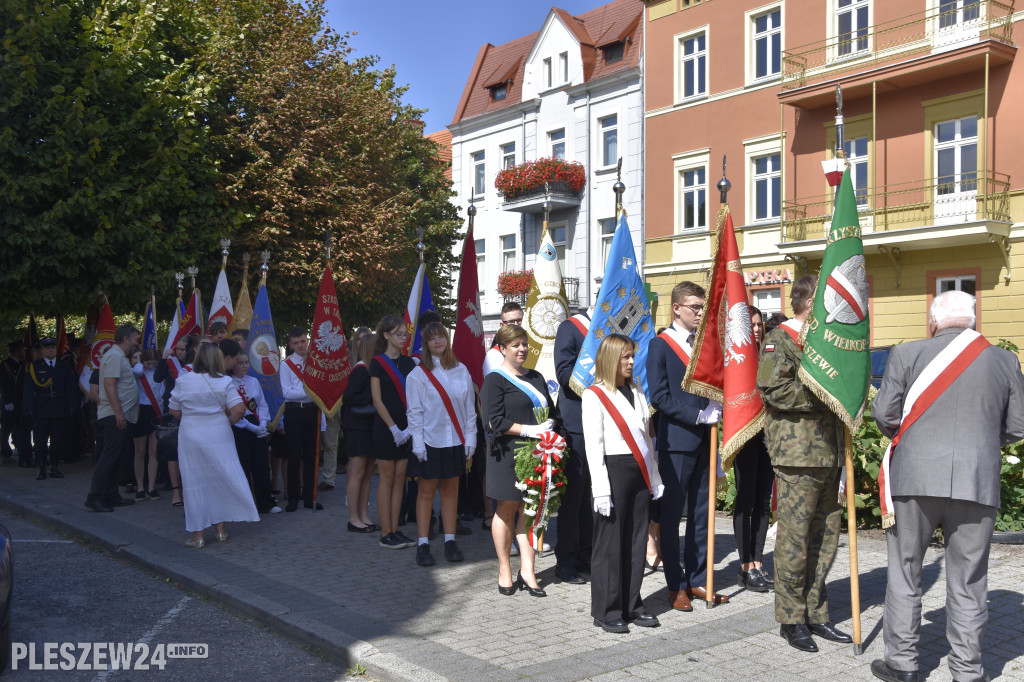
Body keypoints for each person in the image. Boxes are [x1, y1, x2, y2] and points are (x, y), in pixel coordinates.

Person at [869, 290, 1024, 682]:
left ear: (933, 321)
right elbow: (1019, 427)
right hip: (977, 479)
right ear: (973, 320)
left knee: (905, 571)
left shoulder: (907, 354)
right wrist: (981, 446)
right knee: (970, 578)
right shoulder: (1004, 359)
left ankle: (902, 664)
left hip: (914, 478)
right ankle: (968, 671)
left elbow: (884, 414)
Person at [756, 275, 851, 652]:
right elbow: (774, 389)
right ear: (807, 301)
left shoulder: (827, 342)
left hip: (829, 452)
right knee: (795, 540)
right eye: (826, 302)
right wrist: (824, 393)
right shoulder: (780, 339)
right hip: (797, 455)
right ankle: (791, 619)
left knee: (825, 538)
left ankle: (817, 613)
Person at [647, 281, 727, 611]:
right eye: (694, 307)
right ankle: (675, 585)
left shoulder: (704, 345)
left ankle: (698, 579)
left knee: (701, 515)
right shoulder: (661, 346)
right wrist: (698, 416)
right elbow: (660, 397)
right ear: (676, 308)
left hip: (707, 441)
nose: (699, 312)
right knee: (671, 517)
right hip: (677, 443)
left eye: (701, 306)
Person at [582, 334, 664, 633]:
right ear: (610, 359)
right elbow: (594, 446)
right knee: (610, 545)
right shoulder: (594, 395)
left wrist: (654, 478)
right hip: (613, 470)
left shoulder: (636, 388)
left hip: (639, 470)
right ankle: (606, 609)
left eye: (632, 355)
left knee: (636, 540)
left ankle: (632, 603)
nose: (631, 361)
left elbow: (645, 437)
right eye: (625, 357)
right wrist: (601, 491)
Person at [481, 324, 559, 597]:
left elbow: (551, 409)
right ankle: (504, 568)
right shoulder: (495, 380)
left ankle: (528, 570)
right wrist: (528, 430)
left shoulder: (536, 377)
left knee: (530, 511)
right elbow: (493, 421)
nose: (522, 349)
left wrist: (550, 425)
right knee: (506, 509)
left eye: (524, 344)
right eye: (515, 345)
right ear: (502, 349)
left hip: (537, 453)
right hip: (507, 453)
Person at [169, 343, 260, 547]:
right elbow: (238, 410)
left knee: (194, 482)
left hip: (191, 435)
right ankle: (220, 531)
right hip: (219, 435)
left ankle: (198, 536)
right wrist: (222, 422)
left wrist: (194, 417)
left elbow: (174, 410)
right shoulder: (225, 382)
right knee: (219, 478)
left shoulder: (183, 380)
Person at [406, 322, 477, 566]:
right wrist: (417, 444)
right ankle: (423, 544)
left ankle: (450, 540)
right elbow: (414, 412)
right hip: (429, 441)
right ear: (425, 344)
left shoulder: (461, 370)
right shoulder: (417, 374)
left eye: (441, 337)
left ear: (447, 340)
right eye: (432, 338)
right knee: (426, 493)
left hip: (455, 440)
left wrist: (471, 438)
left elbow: (469, 410)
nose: (438, 342)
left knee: (450, 492)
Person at [732, 306, 775, 593]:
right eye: (753, 325)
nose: (757, 329)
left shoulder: (769, 354)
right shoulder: (738, 359)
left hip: (769, 436)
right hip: (745, 436)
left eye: (760, 325)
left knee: (762, 501)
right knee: (745, 500)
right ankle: (744, 563)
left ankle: (758, 560)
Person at [552, 304, 595, 584]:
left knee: (592, 496)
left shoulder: (612, 329)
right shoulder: (571, 328)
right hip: (577, 423)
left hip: (604, 423)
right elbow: (564, 374)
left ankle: (586, 554)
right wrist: (598, 383)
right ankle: (565, 561)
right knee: (573, 498)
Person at [371, 315, 417, 549]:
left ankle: (396, 530)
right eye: (399, 334)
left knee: (401, 480)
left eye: (405, 334)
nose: (403, 338)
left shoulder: (411, 363)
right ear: (386, 335)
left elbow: (415, 398)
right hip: (386, 428)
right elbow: (377, 400)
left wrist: (408, 428)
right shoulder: (377, 363)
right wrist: (394, 429)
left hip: (407, 428)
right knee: (387, 479)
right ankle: (385, 532)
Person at [85, 325, 141, 512]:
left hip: (122, 416)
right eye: (135, 339)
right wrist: (118, 412)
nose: (136, 343)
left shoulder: (119, 357)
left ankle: (111, 495)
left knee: (119, 457)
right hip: (114, 416)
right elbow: (109, 385)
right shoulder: (115, 356)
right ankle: (95, 497)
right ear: (126, 339)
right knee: (109, 456)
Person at [225, 341, 280, 514]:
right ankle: (245, 505)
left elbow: (262, 404)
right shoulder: (228, 382)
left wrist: (263, 423)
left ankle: (266, 502)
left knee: (261, 465)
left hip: (256, 424)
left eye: (246, 362)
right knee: (243, 465)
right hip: (239, 427)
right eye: (240, 362)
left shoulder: (254, 381)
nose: (243, 366)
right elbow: (231, 411)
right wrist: (250, 427)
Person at [280, 327, 323, 512]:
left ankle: (309, 496)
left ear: (308, 342)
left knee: (311, 455)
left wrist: (310, 396)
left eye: (303, 341)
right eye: (296, 343)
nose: (300, 346)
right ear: (290, 345)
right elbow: (287, 393)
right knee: (294, 455)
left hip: (312, 412)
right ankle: (293, 497)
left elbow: (321, 388)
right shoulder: (285, 365)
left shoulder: (316, 363)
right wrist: (310, 394)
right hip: (294, 413)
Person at [23, 337, 78, 480]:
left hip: (59, 407)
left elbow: (71, 388)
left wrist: (72, 405)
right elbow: (28, 390)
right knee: (40, 440)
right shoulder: (35, 367)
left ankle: (54, 467)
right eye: (47, 348)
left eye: (53, 347)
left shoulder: (64, 366)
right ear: (42, 350)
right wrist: (29, 407)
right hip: (41, 408)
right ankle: (41, 468)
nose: (51, 350)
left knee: (57, 439)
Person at [155, 335, 198, 507]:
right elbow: (158, 378)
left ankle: (188, 488)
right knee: (174, 451)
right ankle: (175, 491)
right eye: (177, 349)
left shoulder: (195, 367)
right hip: (173, 410)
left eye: (182, 349)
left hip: (190, 411)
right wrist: (163, 359)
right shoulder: (170, 362)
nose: (179, 352)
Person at [342, 330, 378, 532]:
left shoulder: (368, 368)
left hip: (367, 426)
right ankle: (353, 518)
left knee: (366, 473)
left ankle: (364, 515)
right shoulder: (360, 369)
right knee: (357, 473)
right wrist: (373, 397)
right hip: (357, 426)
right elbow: (348, 397)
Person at [131, 349, 163, 500]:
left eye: (153, 363)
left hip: (156, 411)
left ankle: (151, 486)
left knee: (154, 451)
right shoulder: (139, 371)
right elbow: (136, 371)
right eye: (148, 363)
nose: (151, 366)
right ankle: (140, 486)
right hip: (142, 411)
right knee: (140, 451)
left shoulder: (158, 372)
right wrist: (139, 361)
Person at [1, 341, 26, 464]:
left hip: (21, 402)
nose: (24, 352)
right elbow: (5, 385)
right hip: (10, 403)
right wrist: (7, 401)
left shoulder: (23, 364)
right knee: (6, 429)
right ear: (16, 351)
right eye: (22, 350)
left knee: (21, 428)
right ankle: (5, 452)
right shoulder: (5, 365)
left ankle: (22, 450)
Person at [482, 302, 523, 376]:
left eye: (519, 320)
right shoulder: (494, 355)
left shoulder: (530, 348)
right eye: (511, 322)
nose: (516, 324)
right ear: (502, 325)